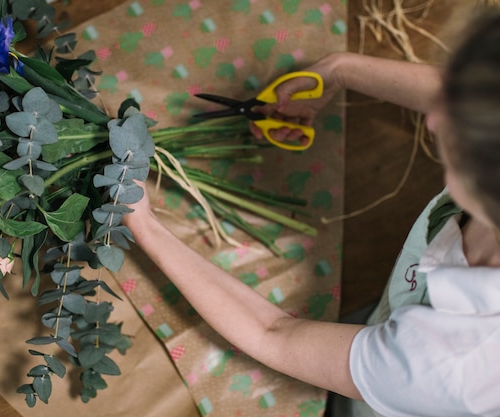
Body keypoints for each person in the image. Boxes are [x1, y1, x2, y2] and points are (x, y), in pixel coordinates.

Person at [123, 9, 500, 417]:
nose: (432, 118)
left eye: (452, 126)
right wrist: (340, 70)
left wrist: (144, 225)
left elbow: (275, 334)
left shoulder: (449, 365)